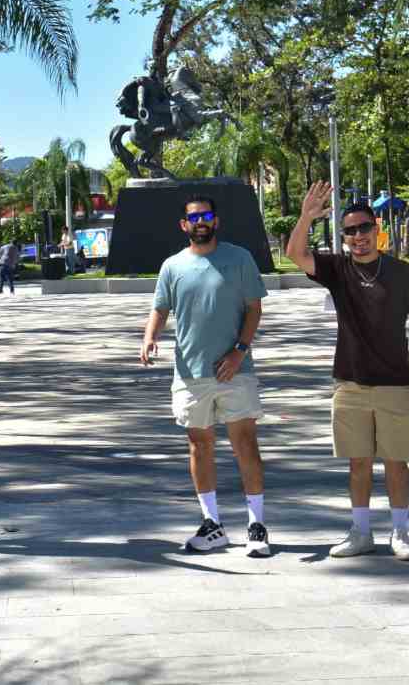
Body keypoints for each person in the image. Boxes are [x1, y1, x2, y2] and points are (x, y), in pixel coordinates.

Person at [286, 182, 409, 562]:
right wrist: (307, 216)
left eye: (364, 229)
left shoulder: (401, 272)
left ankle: (400, 533)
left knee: (396, 462)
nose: (358, 237)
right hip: (350, 384)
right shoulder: (337, 270)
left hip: (395, 383)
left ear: (377, 231)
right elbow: (294, 253)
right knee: (357, 461)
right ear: (345, 238)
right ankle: (361, 532)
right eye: (350, 231)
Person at [141, 195, 271, 558]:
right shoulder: (172, 266)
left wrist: (239, 351)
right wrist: (150, 336)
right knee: (200, 446)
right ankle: (212, 524)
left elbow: (254, 309)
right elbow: (160, 308)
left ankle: (256, 525)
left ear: (216, 221)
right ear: (184, 225)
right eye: (194, 217)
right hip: (189, 373)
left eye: (207, 215)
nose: (201, 221)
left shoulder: (239, 257)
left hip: (235, 370)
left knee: (245, 443)